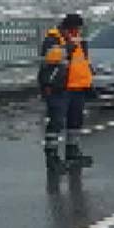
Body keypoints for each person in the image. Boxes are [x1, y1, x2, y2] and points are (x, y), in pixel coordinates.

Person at [39, 13, 94, 173]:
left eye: (79, 30)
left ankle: (73, 152)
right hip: (59, 88)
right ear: (66, 29)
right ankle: (52, 156)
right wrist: (69, 46)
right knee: (56, 122)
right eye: (75, 30)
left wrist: (89, 83)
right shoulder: (53, 39)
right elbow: (50, 57)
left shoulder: (80, 41)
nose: (77, 33)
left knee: (75, 122)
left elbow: (83, 63)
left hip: (78, 87)